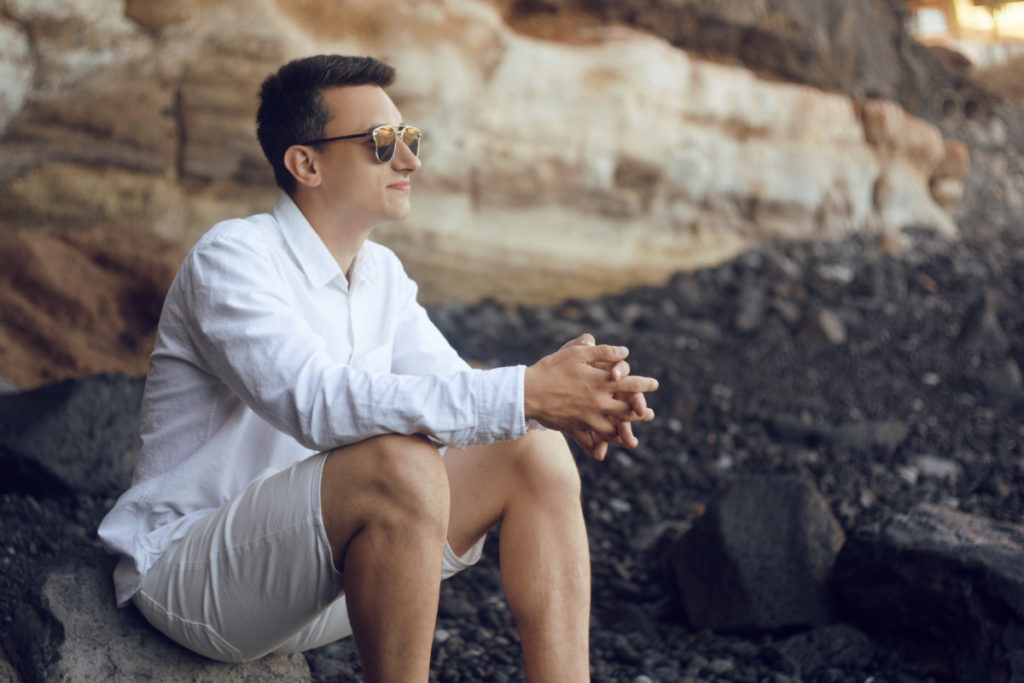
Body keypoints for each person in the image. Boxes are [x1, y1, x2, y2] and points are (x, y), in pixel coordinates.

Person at [98, 54, 658, 682]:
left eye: (409, 137)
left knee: (532, 447)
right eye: (382, 142)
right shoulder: (234, 258)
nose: (409, 159)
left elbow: (457, 401)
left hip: (321, 577)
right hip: (195, 579)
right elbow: (317, 404)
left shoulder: (380, 274)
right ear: (305, 164)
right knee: (400, 463)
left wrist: (572, 395)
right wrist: (527, 388)